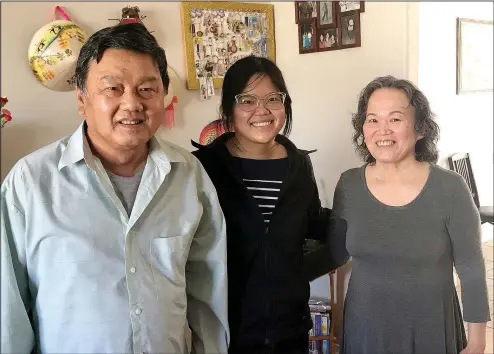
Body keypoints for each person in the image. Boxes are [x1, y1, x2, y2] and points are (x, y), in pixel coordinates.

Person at [1, 23, 229, 354]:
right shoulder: (31, 182)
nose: (132, 103)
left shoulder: (189, 175)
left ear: (163, 95)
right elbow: (9, 310)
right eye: (112, 89)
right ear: (82, 100)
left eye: (147, 89)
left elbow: (208, 291)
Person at [192, 56, 349, 354]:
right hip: (224, 334)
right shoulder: (203, 167)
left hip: (289, 332)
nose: (261, 111)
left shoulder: (298, 164)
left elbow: (312, 225)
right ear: (228, 108)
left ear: (285, 105)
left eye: (273, 99)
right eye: (247, 100)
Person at [334, 75, 490, 353]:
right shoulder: (348, 185)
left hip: (431, 329)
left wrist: (477, 342)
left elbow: (471, 268)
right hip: (365, 330)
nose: (382, 130)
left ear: (420, 128)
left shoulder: (450, 187)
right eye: (372, 120)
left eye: (395, 119)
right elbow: (335, 253)